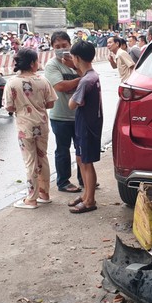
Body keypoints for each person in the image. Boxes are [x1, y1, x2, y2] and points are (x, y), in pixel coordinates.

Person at [3, 48, 58, 209]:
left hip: (24, 128)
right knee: (43, 158)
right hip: (42, 125)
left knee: (30, 161)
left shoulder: (12, 83)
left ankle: (31, 199)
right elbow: (50, 103)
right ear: (33, 63)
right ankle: (44, 194)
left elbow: (9, 108)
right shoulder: (43, 81)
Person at [44, 31, 85, 193]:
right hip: (59, 115)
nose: (61, 49)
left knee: (82, 149)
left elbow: (89, 76)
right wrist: (80, 80)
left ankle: (85, 179)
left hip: (79, 115)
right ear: (52, 48)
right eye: (57, 46)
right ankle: (63, 182)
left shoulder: (77, 62)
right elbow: (60, 86)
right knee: (62, 150)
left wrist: (75, 67)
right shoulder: (51, 65)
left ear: (70, 44)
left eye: (64, 45)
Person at [67, 41, 103, 214]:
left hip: (87, 125)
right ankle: (86, 195)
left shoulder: (85, 81)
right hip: (89, 123)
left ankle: (90, 200)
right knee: (82, 160)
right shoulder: (92, 76)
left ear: (77, 58)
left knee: (86, 163)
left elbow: (72, 104)